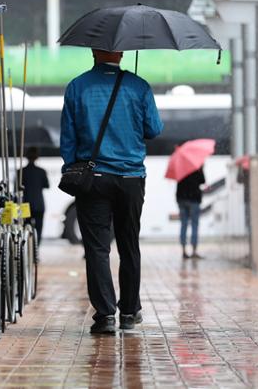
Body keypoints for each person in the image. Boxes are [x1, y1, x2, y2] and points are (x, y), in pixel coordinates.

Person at [60, 49, 163, 334]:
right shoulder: (138, 86)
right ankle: (129, 312)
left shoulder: (77, 86)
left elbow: (68, 138)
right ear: (120, 53)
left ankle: (105, 315)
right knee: (129, 244)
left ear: (94, 51)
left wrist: (72, 168)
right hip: (131, 178)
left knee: (97, 248)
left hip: (93, 178)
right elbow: (154, 129)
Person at [19, 147, 49, 244]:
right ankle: (36, 249)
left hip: (25, 204)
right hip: (39, 204)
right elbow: (47, 185)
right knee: (38, 229)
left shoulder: (20, 171)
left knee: (25, 228)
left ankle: (27, 248)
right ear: (37, 157)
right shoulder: (41, 171)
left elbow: (17, 187)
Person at [177, 167, 205, 259]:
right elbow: (202, 181)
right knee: (194, 224)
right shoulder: (196, 166)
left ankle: (184, 251)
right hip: (194, 199)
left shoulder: (180, 166)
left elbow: (178, 181)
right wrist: (202, 169)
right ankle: (194, 251)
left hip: (182, 198)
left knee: (183, 224)